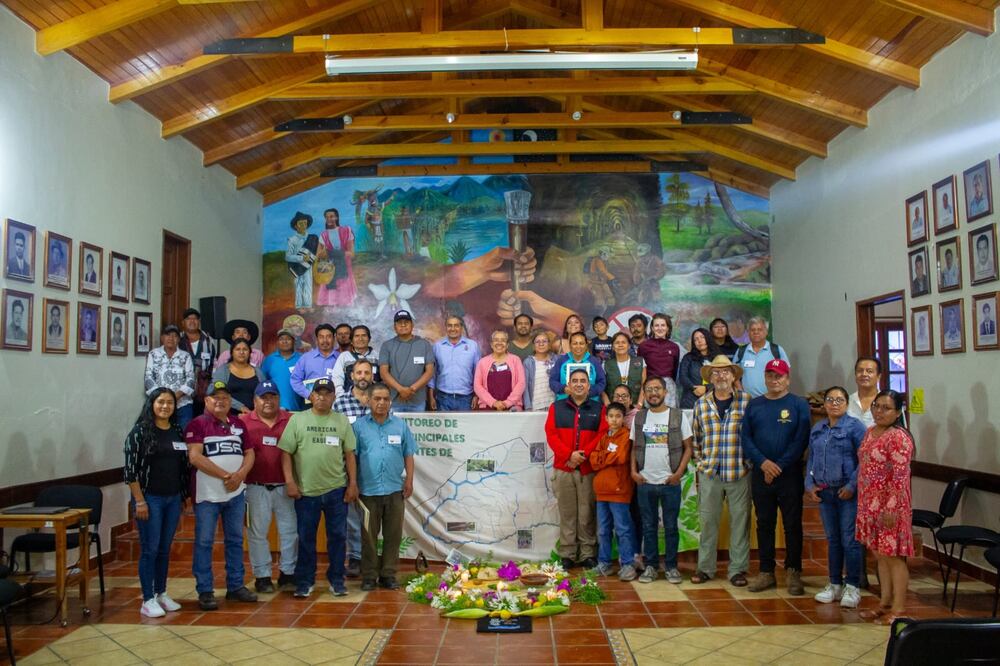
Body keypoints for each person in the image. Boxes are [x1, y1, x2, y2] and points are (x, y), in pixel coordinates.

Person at [279, 378, 358, 598]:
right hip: (306, 492)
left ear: (334, 397)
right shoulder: (297, 420)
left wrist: (352, 484)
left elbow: (350, 454)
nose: (322, 397)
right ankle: (304, 581)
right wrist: (290, 481)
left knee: (338, 538)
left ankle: (337, 579)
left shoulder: (341, 421)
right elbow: (286, 453)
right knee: (305, 539)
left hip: (336, 490)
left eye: (327, 393)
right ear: (311, 396)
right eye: (318, 393)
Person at [185, 381, 258, 610]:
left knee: (235, 541)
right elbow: (195, 457)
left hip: (235, 494)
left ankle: (235, 586)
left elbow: (250, 453)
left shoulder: (238, 424)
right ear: (206, 401)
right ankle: (205, 590)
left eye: (225, 397)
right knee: (205, 542)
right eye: (215, 397)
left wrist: (241, 475)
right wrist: (227, 475)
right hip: (207, 496)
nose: (220, 401)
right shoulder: (197, 424)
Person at [742, 359, 810, 595]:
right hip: (761, 475)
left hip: (789, 475)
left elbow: (801, 439)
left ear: (787, 378)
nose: (775, 380)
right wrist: (764, 463)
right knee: (764, 524)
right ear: (765, 378)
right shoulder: (754, 405)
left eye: (779, 376)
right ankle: (766, 572)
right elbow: (746, 438)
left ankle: (793, 571)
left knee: (792, 524)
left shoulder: (799, 404)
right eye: (770, 375)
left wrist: (778, 466)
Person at [123, 387, 190, 618]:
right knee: (150, 549)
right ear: (152, 404)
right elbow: (130, 472)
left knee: (164, 548)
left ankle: (161, 593)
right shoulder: (140, 432)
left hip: (172, 498)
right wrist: (139, 501)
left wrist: (182, 496)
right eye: (161, 402)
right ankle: (147, 598)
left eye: (170, 403)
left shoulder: (177, 430)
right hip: (149, 499)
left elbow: (182, 467)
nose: (165, 406)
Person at [690, 356, 751, 587]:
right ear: (710, 378)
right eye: (716, 373)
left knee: (740, 522)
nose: (721, 376)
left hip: (738, 472)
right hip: (710, 473)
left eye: (726, 372)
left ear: (734, 376)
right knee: (708, 522)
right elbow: (695, 438)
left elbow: (753, 436)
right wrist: (701, 463)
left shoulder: (746, 401)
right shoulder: (701, 404)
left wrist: (749, 464)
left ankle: (737, 569)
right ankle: (705, 568)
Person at [856, 390, 915, 625]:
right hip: (869, 502)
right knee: (880, 555)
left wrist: (890, 508)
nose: (879, 412)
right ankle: (884, 603)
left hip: (891, 505)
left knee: (894, 557)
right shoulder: (870, 432)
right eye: (876, 406)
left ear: (898, 411)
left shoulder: (899, 437)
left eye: (886, 408)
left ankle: (899, 608)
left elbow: (900, 478)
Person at [806, 386, 867, 610]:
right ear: (824, 404)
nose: (834, 404)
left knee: (849, 540)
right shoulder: (819, 428)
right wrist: (809, 484)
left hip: (847, 493)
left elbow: (865, 460)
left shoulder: (855, 427)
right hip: (825, 492)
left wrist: (852, 485)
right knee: (832, 540)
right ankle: (834, 583)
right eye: (830, 400)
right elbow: (811, 458)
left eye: (839, 400)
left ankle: (853, 585)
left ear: (846, 403)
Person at [353, 383, 416, 590]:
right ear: (369, 401)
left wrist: (409, 480)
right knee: (368, 536)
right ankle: (369, 575)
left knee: (393, 534)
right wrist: (352, 483)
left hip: (394, 489)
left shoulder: (400, 426)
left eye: (385, 399)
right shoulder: (359, 427)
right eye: (377, 399)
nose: (381, 403)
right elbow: (352, 457)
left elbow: (408, 454)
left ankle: (388, 574)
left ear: (390, 402)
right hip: (367, 491)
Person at [631, 376, 693, 584]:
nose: (653, 393)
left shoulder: (677, 416)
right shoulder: (640, 417)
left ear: (665, 392)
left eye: (657, 389)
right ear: (645, 393)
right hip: (645, 482)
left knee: (670, 527)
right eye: (649, 389)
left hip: (670, 482)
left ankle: (672, 567)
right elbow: (634, 448)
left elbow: (688, 448)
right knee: (648, 527)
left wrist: (678, 474)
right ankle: (650, 566)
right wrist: (633, 472)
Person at [545, 369, 607, 569]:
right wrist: (568, 455)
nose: (579, 384)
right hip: (564, 469)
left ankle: (588, 553)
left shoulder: (599, 408)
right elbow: (551, 434)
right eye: (575, 381)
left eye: (583, 381)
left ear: (589, 386)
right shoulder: (557, 407)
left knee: (587, 513)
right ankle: (568, 553)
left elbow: (602, 435)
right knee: (567, 513)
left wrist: (582, 456)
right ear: (569, 386)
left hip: (588, 469)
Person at [240, 382, 297, 594]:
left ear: (279, 399)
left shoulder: (291, 420)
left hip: (285, 486)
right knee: (257, 533)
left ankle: (288, 573)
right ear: (255, 400)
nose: (268, 401)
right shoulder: (243, 422)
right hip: (256, 487)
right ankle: (262, 576)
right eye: (263, 397)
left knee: (290, 532)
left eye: (272, 396)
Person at [332, 359, 375, 578]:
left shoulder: (379, 400)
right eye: (359, 372)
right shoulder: (340, 404)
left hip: (374, 465)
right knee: (351, 516)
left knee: (372, 513)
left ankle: (372, 557)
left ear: (372, 376)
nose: (362, 376)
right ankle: (356, 557)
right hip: (347, 466)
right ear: (352, 376)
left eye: (366, 372)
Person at [589, 402, 637, 582]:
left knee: (623, 529)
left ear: (623, 418)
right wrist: (606, 458)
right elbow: (593, 459)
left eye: (618, 416)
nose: (614, 420)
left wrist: (602, 457)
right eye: (611, 416)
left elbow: (621, 457)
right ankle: (604, 563)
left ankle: (627, 564)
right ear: (606, 418)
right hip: (601, 490)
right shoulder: (603, 437)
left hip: (619, 490)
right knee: (603, 530)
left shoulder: (626, 436)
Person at [379, 310, 434, 412]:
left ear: (412, 325)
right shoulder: (387, 346)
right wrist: (401, 390)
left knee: (418, 428)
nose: (403, 325)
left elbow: (430, 371)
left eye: (406, 322)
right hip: (395, 401)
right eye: (399, 323)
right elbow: (383, 372)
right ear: (394, 327)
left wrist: (411, 390)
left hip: (418, 401)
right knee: (395, 428)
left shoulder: (424, 344)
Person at [144, 324, 196, 429]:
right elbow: (148, 378)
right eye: (167, 335)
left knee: (184, 435)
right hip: (159, 403)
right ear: (162, 338)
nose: (171, 338)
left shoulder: (185, 356)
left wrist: (175, 396)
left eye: (174, 335)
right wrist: (162, 397)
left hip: (182, 404)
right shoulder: (153, 354)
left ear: (179, 339)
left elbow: (191, 379)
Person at [429, 315, 479, 411]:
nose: (453, 329)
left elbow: (477, 373)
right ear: (446, 327)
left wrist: (476, 396)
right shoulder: (438, 346)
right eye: (449, 325)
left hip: (466, 398)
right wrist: (431, 397)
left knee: (465, 426)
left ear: (461, 327)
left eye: (456, 325)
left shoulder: (473, 346)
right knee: (444, 426)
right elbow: (432, 374)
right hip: (443, 398)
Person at [178, 308, 218, 417]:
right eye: (188, 319)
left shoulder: (209, 340)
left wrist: (212, 388)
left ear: (199, 322)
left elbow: (214, 364)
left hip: (203, 391)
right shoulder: (178, 339)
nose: (192, 321)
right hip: (182, 392)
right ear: (183, 322)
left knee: (202, 422)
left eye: (195, 318)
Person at [733, 317, 787, 398]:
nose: (756, 332)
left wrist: (780, 394)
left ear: (766, 332)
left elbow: (786, 373)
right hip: (748, 401)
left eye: (759, 329)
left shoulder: (777, 350)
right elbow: (734, 374)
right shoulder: (741, 351)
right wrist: (741, 393)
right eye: (752, 330)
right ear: (748, 332)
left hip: (773, 399)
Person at [473, 330, 526, 411]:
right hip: (488, 407)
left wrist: (508, 402)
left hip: (512, 407)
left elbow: (521, 383)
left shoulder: (516, 360)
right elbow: (477, 386)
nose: (499, 343)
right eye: (496, 340)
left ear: (507, 345)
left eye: (503, 340)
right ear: (491, 344)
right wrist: (493, 402)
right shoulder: (482, 362)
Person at [316, 208, 358, 307]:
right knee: (332, 298)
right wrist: (324, 253)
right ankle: (333, 307)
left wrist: (334, 253)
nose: (329, 219)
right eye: (326, 217)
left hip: (344, 266)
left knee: (344, 291)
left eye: (331, 216)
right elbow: (318, 255)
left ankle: (344, 307)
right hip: (330, 269)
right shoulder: (323, 235)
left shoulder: (346, 231)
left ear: (337, 217)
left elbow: (351, 253)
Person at [549, 331, 606, 401]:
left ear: (586, 345)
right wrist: (564, 389)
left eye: (581, 343)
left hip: (590, 403)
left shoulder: (594, 361)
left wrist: (589, 391)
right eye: (575, 343)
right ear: (570, 345)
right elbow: (552, 381)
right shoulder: (561, 360)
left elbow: (602, 382)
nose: (578, 346)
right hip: (565, 402)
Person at [212, 339, 264, 414]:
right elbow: (218, 392)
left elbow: (264, 394)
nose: (241, 352)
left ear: (249, 353)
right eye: (238, 349)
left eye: (245, 349)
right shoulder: (223, 370)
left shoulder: (258, 372)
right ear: (232, 352)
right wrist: (241, 407)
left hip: (253, 415)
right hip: (228, 415)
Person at [290, 323, 340, 401]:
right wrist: (309, 395)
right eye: (321, 337)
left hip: (335, 404)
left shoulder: (341, 358)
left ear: (334, 339)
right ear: (317, 340)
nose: (325, 340)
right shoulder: (306, 358)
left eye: (328, 337)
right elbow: (295, 380)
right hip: (311, 404)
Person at [261, 329, 305, 412]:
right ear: (277, 342)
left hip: (297, 410)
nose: (285, 341)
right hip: (274, 410)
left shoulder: (302, 359)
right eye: (281, 339)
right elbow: (263, 383)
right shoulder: (269, 360)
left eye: (288, 339)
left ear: (294, 341)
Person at [331, 325, 379, 395]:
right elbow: (337, 379)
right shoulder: (344, 357)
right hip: (349, 400)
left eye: (364, 335)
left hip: (373, 399)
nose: (360, 339)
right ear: (351, 340)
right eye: (357, 336)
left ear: (369, 339)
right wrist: (342, 397)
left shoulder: (377, 356)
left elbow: (384, 379)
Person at [678, 328, 718, 409]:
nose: (699, 341)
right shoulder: (688, 358)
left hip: (714, 400)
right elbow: (682, 376)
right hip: (690, 400)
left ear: (708, 338)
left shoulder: (718, 357)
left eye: (702, 337)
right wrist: (693, 388)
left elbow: (723, 378)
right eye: (696, 339)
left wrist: (706, 388)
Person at [603, 332, 645, 407]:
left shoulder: (640, 362)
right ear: (613, 347)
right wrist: (608, 404)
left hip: (635, 407)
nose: (620, 345)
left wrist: (640, 404)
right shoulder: (605, 364)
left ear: (629, 346)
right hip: (614, 409)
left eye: (623, 342)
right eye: (617, 343)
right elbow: (601, 386)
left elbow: (644, 384)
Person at [286, 211, 317, 311]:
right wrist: (301, 258)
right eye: (301, 223)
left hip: (308, 265)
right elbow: (288, 256)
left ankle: (308, 305)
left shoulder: (312, 238)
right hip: (297, 267)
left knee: (308, 283)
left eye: (305, 222)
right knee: (299, 285)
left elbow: (316, 252)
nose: (304, 225)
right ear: (295, 226)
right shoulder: (292, 240)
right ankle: (299, 306)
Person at [638, 313, 682, 383]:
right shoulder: (643, 346)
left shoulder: (674, 347)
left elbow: (675, 371)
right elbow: (639, 370)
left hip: (669, 387)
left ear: (668, 328)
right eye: (656, 325)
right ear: (652, 328)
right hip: (650, 385)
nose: (660, 328)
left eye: (663, 325)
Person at [522, 330, 557, 412]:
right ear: (533, 345)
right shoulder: (528, 362)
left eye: (544, 341)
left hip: (554, 405)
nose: (541, 344)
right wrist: (528, 406)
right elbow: (525, 387)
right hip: (536, 406)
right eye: (537, 342)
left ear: (549, 344)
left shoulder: (556, 359)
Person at [848, 357, 881, 427]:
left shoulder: (890, 403)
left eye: (869, 371)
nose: (864, 374)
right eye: (860, 371)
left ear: (878, 377)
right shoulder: (847, 402)